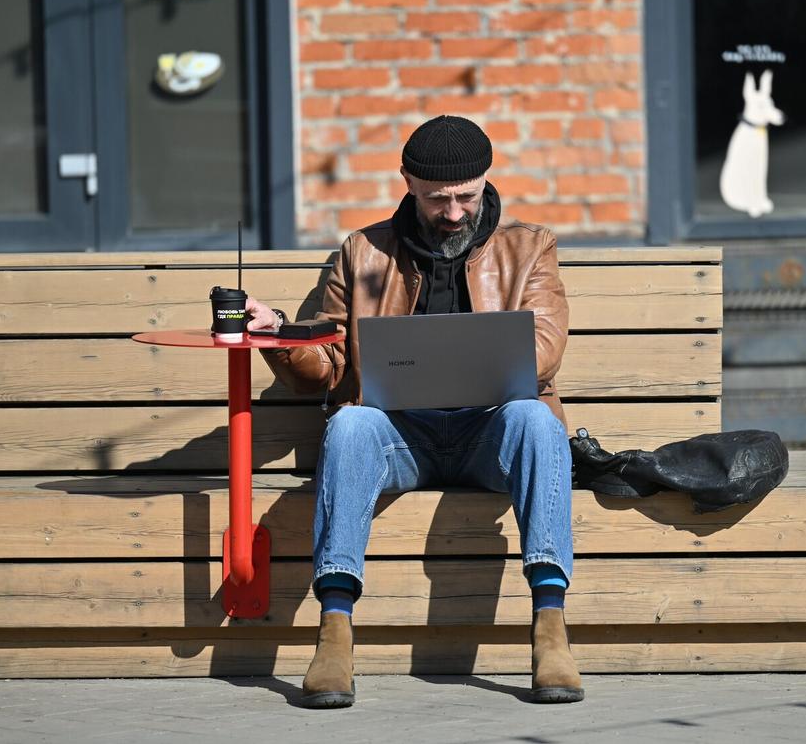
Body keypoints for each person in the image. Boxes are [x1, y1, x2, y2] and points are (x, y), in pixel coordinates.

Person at [246, 115, 582, 709]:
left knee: (533, 418)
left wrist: (470, 356)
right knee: (349, 423)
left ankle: (550, 629)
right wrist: (281, 336)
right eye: (437, 199)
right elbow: (326, 369)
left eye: (466, 197)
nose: (453, 213)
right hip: (401, 436)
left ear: (485, 181)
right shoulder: (361, 252)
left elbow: (545, 352)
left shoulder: (531, 248)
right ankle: (334, 632)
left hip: (490, 432)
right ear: (407, 182)